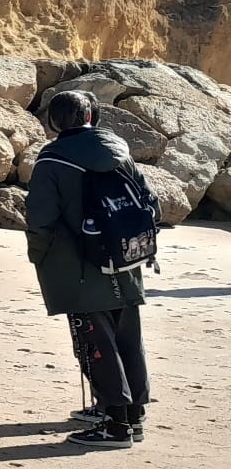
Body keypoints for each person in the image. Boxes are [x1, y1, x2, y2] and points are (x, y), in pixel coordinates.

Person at [26, 91, 153, 449]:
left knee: (94, 341)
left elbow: (40, 219)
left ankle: (114, 423)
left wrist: (39, 257)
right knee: (128, 338)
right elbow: (149, 201)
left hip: (77, 264)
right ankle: (134, 414)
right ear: (92, 116)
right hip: (125, 258)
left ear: (54, 121)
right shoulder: (119, 150)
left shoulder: (52, 159)